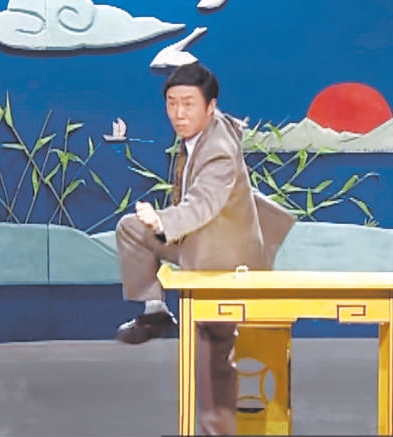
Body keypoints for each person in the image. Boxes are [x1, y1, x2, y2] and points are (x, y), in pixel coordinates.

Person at [114, 62, 296, 435]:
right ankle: (155, 311)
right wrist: (160, 226)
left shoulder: (218, 150)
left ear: (210, 106)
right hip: (196, 241)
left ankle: (219, 427)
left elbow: (203, 203)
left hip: (227, 259)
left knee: (214, 350)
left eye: (188, 104)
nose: (178, 114)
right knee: (131, 229)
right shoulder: (203, 131)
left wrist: (162, 221)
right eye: (172, 103)